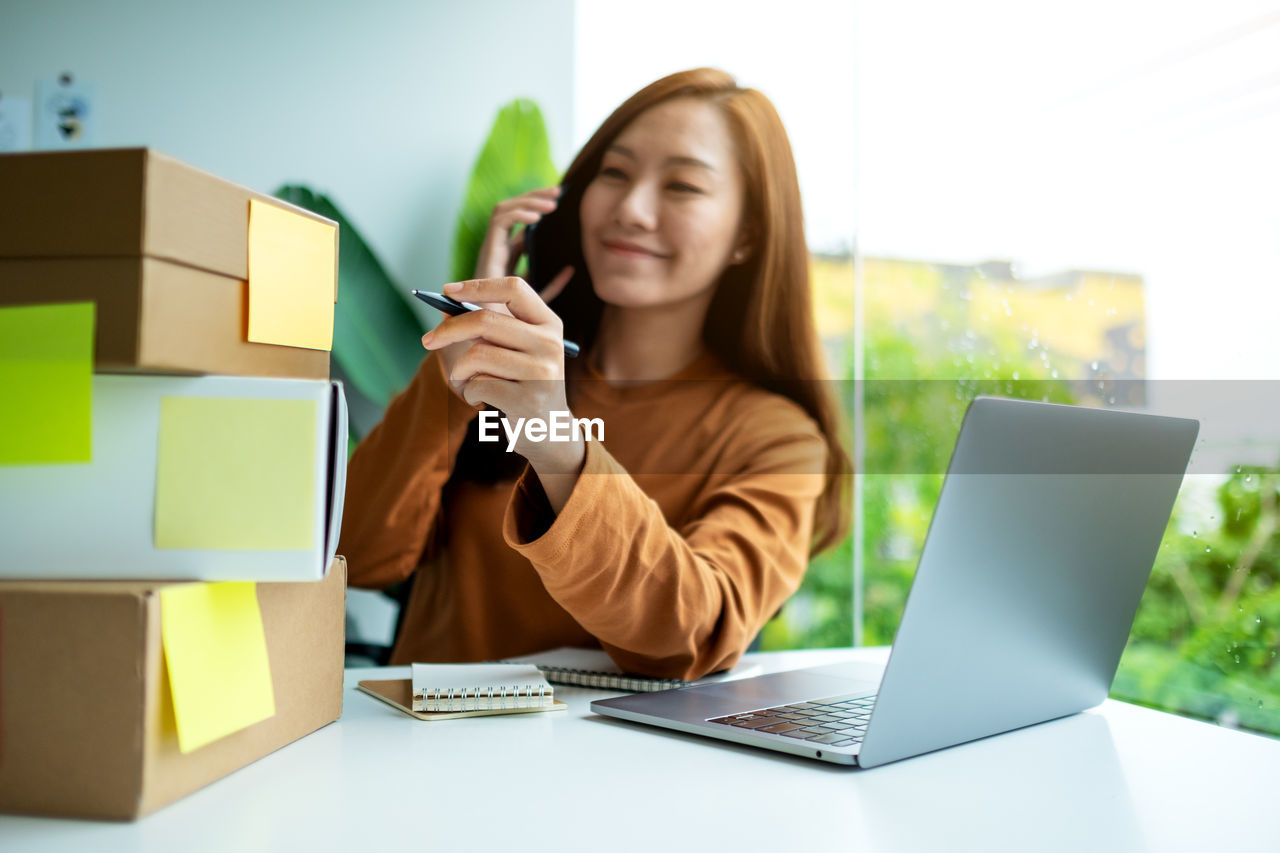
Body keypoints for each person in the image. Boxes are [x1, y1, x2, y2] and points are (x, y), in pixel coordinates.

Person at [338, 68, 851, 680]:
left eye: (683, 186)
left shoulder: (777, 438)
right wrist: (459, 371)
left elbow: (693, 635)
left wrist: (557, 445)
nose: (631, 210)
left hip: (618, 772)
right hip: (420, 749)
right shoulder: (498, 376)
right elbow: (356, 557)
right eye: (615, 173)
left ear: (748, 234)